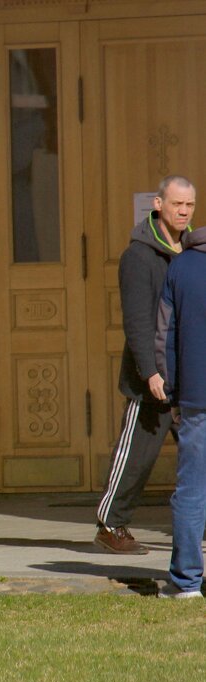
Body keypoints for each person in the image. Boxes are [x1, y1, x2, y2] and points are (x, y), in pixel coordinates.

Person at [96, 176, 195, 554]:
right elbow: (137, 321)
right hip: (152, 379)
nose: (183, 212)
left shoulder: (191, 251)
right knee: (136, 457)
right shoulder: (138, 256)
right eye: (176, 204)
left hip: (188, 377)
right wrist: (150, 372)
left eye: (189, 205)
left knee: (199, 456)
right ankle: (110, 525)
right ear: (158, 204)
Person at [154, 226, 206, 598]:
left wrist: (171, 395)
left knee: (191, 489)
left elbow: (165, 338)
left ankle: (186, 582)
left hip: (195, 397)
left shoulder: (180, 267)